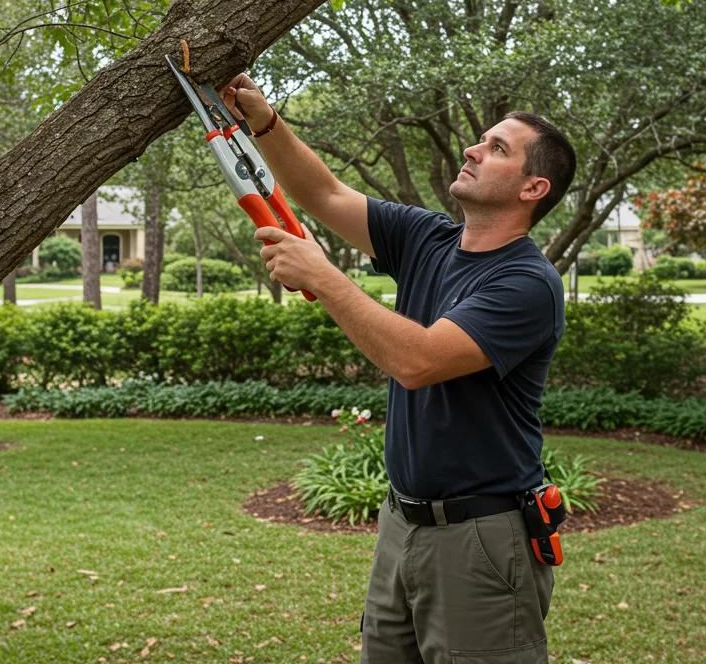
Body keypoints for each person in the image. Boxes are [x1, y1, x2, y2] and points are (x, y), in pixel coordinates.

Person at [223, 74, 577, 664]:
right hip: (401, 525)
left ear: (532, 187)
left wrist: (322, 276)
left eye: (497, 149)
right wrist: (264, 122)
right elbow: (325, 195)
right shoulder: (429, 239)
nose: (472, 148)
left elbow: (417, 361)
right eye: (481, 139)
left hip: (481, 539)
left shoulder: (526, 284)